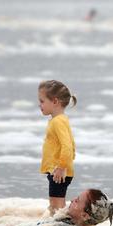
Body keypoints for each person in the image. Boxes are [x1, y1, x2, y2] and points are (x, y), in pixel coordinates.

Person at [5, 189, 113, 226]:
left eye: (77, 201)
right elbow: (56, 207)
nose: (72, 200)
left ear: (84, 215)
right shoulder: (75, 225)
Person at [38, 80, 77, 214]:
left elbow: (67, 146)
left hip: (59, 172)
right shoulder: (61, 119)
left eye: (42, 101)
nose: (40, 105)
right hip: (59, 170)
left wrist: (61, 167)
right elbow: (72, 145)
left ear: (55, 102)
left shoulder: (58, 122)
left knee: (56, 206)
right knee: (57, 204)